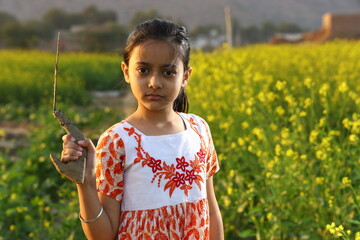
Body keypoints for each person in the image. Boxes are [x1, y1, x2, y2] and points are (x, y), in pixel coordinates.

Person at [60, 18, 224, 240]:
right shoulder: (117, 140)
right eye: (143, 70)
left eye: (168, 72)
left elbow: (211, 211)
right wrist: (85, 182)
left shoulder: (199, 129)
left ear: (185, 76)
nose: (154, 82)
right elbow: (103, 236)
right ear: (126, 72)